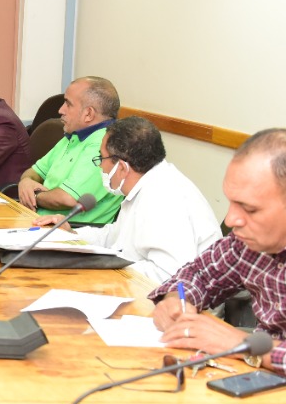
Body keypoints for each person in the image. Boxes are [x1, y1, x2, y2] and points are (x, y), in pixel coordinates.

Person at [151, 129, 286, 398]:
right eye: (231, 202)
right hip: (274, 385)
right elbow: (200, 274)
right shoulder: (253, 234)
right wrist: (175, 300)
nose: (231, 219)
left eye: (249, 209)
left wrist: (244, 345)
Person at [35, 117, 220, 282]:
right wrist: (72, 234)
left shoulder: (164, 199)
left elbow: (167, 275)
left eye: (101, 158)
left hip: (180, 302)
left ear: (122, 168)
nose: (100, 166)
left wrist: (103, 269)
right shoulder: (144, 185)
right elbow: (115, 237)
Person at [17, 76, 122, 225]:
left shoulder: (105, 145)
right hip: (36, 220)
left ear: (88, 114)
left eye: (68, 104)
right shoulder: (75, 135)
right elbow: (34, 172)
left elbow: (67, 199)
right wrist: (26, 182)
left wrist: (33, 195)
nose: (60, 110)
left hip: (67, 231)